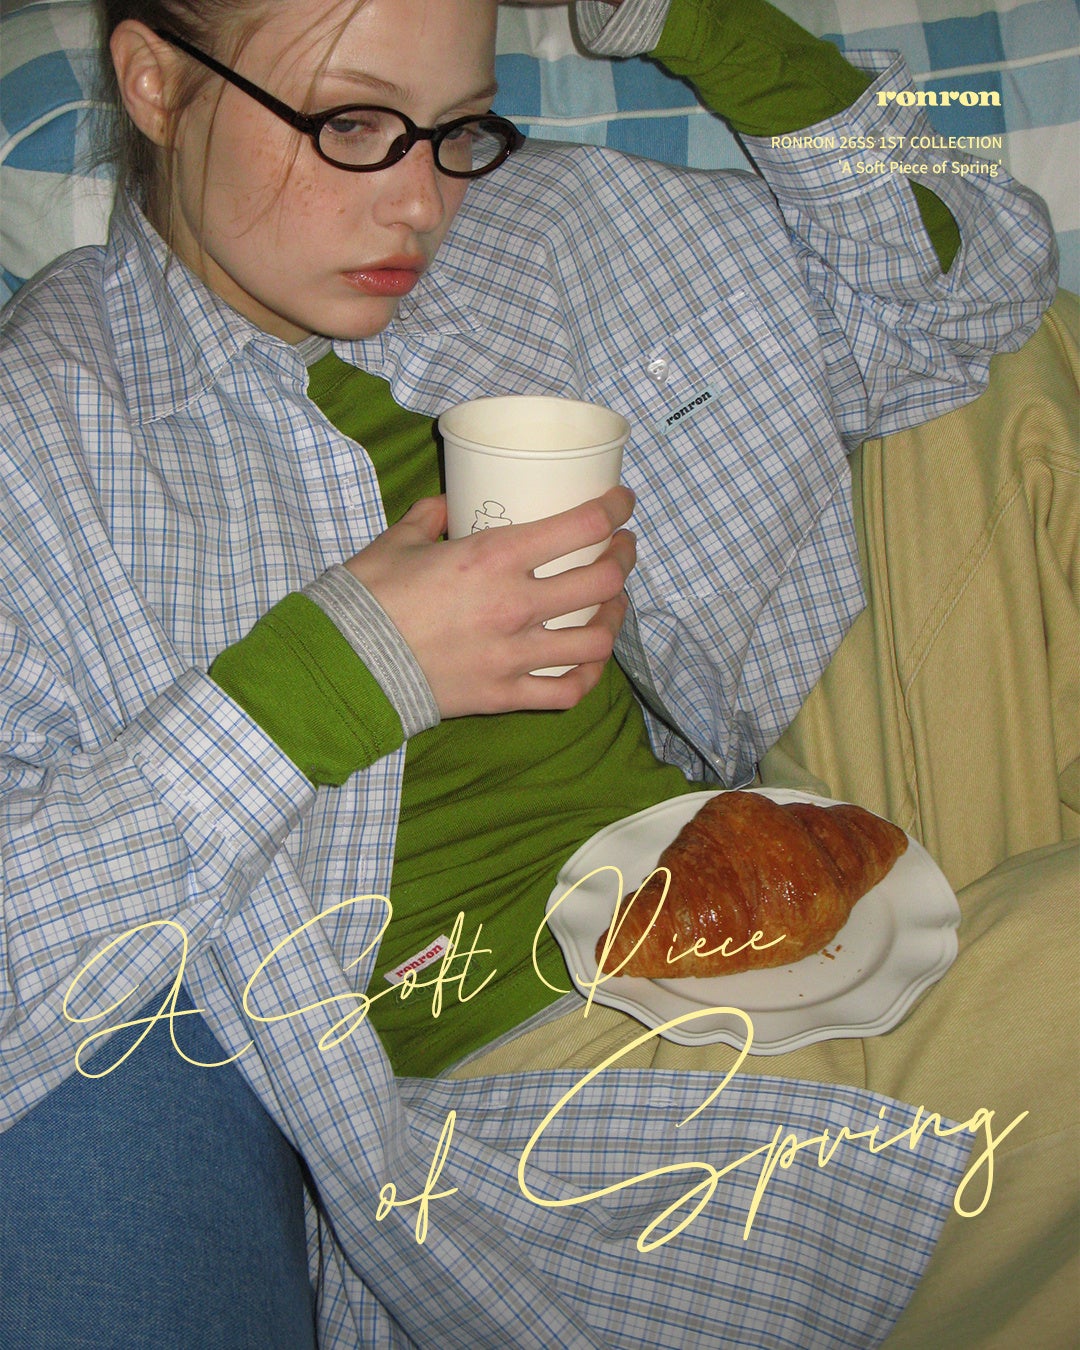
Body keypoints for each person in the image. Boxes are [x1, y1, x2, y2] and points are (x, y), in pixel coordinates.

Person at [0, 0, 1072, 1346]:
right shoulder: (49, 428)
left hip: (744, 839)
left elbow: (971, 282)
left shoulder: (533, 232)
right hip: (536, 1082)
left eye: (458, 129)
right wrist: (350, 668)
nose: (419, 206)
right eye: (351, 124)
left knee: (1015, 379)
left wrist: (701, 22)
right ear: (157, 83)